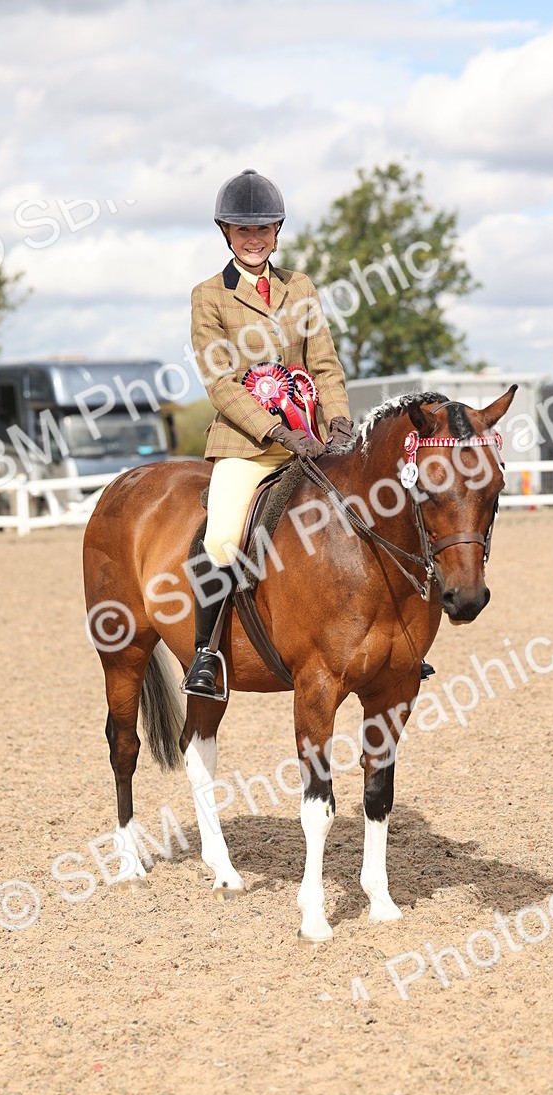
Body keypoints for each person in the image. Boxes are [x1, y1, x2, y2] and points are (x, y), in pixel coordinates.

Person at [182, 168, 355, 698]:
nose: (254, 240)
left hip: (313, 441)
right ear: (226, 233)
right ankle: (207, 654)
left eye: (263, 230)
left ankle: (378, 644)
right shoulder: (209, 296)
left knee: (368, 515)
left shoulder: (299, 288)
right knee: (222, 537)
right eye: (242, 230)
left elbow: (323, 363)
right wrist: (279, 431)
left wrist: (339, 419)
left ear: (277, 231)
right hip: (248, 444)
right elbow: (220, 383)